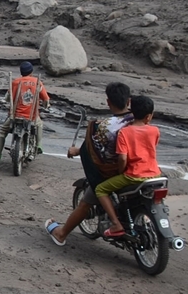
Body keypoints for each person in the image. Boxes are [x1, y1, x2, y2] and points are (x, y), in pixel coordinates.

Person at [44, 82, 132, 246]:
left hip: (115, 173)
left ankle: (61, 234)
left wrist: (77, 151)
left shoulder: (103, 126)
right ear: (129, 101)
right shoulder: (141, 121)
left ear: (108, 102)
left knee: (87, 200)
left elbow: (91, 149)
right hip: (141, 169)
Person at [93, 95, 162, 238]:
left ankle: (116, 224)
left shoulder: (124, 132)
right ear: (149, 117)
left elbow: (123, 158)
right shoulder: (155, 130)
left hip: (134, 176)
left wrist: (121, 171)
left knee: (100, 189)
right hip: (155, 174)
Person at [0, 61, 49, 166]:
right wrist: (46, 105)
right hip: (31, 117)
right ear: (31, 71)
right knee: (39, 124)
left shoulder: (15, 82)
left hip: (15, 116)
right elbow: (45, 99)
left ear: (21, 72)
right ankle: (39, 145)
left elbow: (7, 98)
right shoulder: (37, 82)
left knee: (2, 131)